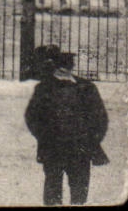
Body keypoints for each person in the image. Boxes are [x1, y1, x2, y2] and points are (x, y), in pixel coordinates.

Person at [25, 47, 109, 205]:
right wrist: (92, 139)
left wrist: (91, 139)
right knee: (63, 189)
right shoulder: (48, 88)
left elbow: (99, 118)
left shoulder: (48, 88)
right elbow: (33, 118)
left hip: (68, 147)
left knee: (70, 190)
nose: (63, 72)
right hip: (65, 147)